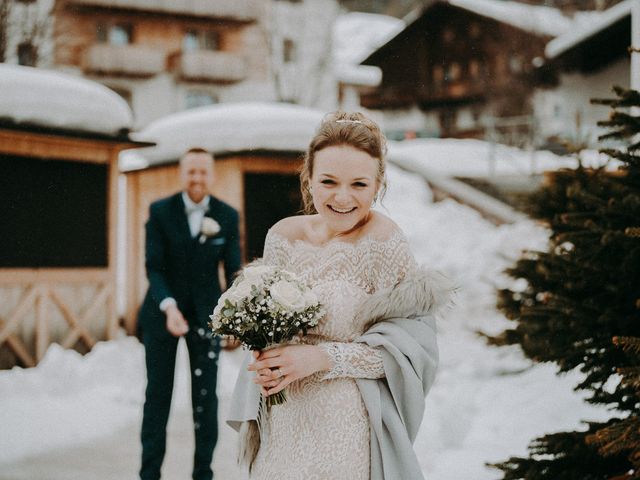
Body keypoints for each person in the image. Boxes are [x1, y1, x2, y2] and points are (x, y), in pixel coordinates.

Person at [227, 112, 453, 479]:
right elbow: (266, 324)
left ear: (378, 185)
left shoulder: (384, 242)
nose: (342, 198)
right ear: (309, 178)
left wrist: (321, 357)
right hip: (283, 417)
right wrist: (264, 353)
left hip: (345, 424)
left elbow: (405, 356)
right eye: (329, 181)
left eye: (359, 185)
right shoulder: (282, 237)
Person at [138, 147, 241, 480]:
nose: (196, 178)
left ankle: (203, 472)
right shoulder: (160, 211)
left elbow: (235, 271)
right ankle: (149, 473)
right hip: (161, 314)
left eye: (202, 171)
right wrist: (168, 307)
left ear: (212, 175)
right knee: (157, 395)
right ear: (182, 174)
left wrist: (232, 321)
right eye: (191, 171)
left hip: (207, 317)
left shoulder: (227, 215)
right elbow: (153, 268)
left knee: (205, 397)